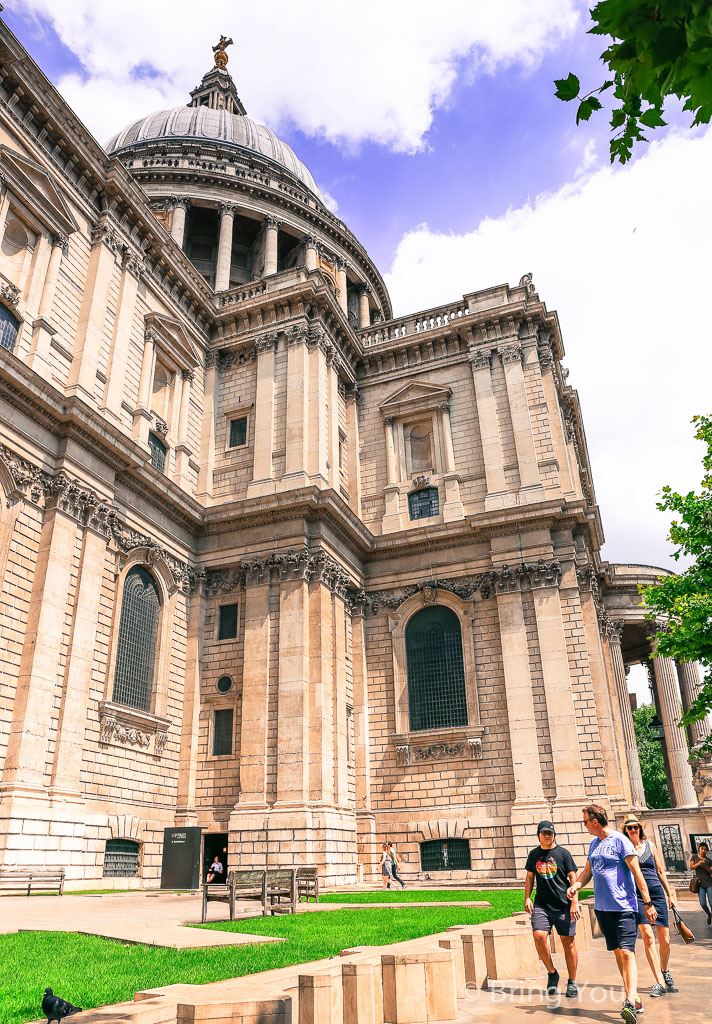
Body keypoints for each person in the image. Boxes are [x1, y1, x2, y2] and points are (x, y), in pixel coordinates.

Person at [567, 804, 657, 1024]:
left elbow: (636, 871)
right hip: (603, 909)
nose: (585, 825)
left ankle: (628, 1001)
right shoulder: (593, 843)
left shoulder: (620, 840)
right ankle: (634, 997)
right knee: (618, 954)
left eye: (586, 821)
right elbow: (588, 871)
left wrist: (648, 902)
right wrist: (577, 885)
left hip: (624, 907)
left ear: (595, 822)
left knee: (627, 953)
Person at [621, 815, 677, 995]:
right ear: (625, 831)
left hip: (657, 894)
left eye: (635, 827)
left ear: (640, 828)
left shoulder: (650, 846)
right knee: (648, 937)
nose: (633, 830)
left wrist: (669, 894)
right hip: (637, 896)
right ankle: (659, 982)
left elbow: (660, 870)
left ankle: (664, 969)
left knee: (665, 940)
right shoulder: (624, 849)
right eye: (629, 828)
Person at [524, 820, 580, 998]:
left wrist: (574, 902)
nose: (547, 836)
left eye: (550, 833)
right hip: (542, 904)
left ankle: (572, 981)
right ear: (538, 835)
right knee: (539, 936)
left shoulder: (563, 853)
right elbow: (529, 877)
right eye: (544, 833)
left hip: (564, 904)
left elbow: (573, 877)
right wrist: (527, 897)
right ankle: (552, 972)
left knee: (568, 943)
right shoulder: (534, 854)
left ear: (554, 834)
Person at [690, 841, 712, 924]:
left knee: (711, 902)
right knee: (703, 903)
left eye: (705, 850)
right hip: (700, 884)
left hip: (709, 883)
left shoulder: (709, 860)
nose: (703, 851)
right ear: (699, 849)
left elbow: (710, 872)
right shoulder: (694, 857)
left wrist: (706, 865)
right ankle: (709, 914)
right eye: (702, 849)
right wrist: (699, 863)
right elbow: (691, 867)